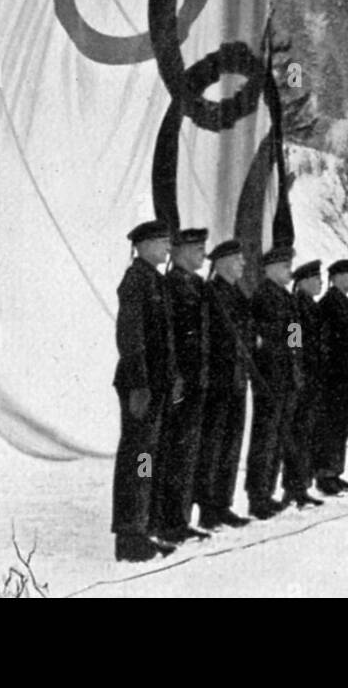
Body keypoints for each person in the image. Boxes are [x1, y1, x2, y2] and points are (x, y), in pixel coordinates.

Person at [111, 219, 180, 562]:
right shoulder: (137, 280)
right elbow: (130, 337)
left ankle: (142, 527)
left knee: (147, 457)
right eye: (162, 241)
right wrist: (139, 384)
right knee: (139, 457)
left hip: (156, 385)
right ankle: (131, 533)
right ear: (144, 245)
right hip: (142, 386)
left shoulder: (154, 280)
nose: (168, 247)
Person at [155, 228, 211, 543]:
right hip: (180, 383)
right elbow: (169, 338)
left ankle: (180, 517)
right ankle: (169, 521)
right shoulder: (172, 285)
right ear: (178, 252)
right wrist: (176, 376)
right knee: (173, 453)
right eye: (197, 248)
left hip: (198, 380)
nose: (203, 253)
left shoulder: (198, 285)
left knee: (190, 453)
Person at [195, 239, 252, 531]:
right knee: (214, 445)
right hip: (219, 380)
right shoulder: (214, 293)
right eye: (238, 259)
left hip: (237, 380)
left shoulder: (235, 293)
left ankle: (222, 503)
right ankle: (209, 507)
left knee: (231, 445)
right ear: (223, 263)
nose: (243, 264)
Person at [245, 242, 303, 520]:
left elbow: (294, 336)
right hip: (269, 377)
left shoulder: (286, 297)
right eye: (284, 267)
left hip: (286, 376)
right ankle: (257, 496)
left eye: (289, 267)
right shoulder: (263, 297)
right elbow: (261, 342)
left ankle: (267, 491)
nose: (288, 272)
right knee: (265, 438)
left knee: (277, 438)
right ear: (269, 269)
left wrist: (296, 363)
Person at [315, 258, 348, 496]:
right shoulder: (329, 304)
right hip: (332, 377)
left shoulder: (342, 303)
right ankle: (325, 474)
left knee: (341, 425)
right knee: (330, 426)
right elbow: (318, 342)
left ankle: (334, 471)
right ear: (338, 277)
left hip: (344, 376)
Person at [287, 260, 324, 508]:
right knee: (299, 434)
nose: (320, 282)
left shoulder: (311, 306)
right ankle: (296, 487)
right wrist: (297, 369)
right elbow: (294, 342)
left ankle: (303, 484)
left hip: (313, 377)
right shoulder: (297, 307)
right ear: (302, 282)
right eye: (315, 278)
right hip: (304, 377)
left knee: (308, 433)